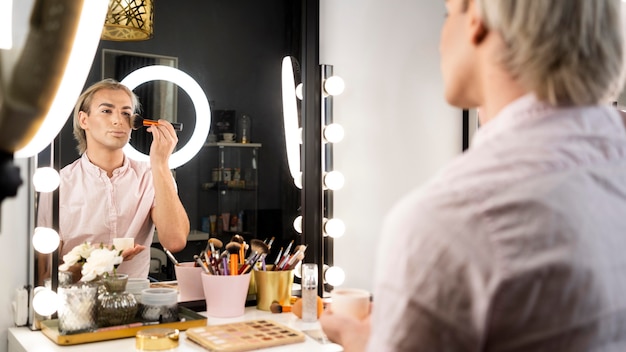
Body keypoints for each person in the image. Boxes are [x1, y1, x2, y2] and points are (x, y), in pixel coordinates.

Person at [320, 0, 626, 351]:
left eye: (449, 13)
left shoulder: (447, 225)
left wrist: (360, 343)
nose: (440, 38)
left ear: (477, 18)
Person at [38, 78, 190, 280]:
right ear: (84, 120)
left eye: (126, 113)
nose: (118, 120)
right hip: (76, 301)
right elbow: (43, 272)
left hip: (135, 303)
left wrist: (161, 164)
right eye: (106, 111)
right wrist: (93, 261)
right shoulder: (59, 184)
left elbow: (175, 241)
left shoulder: (150, 176)